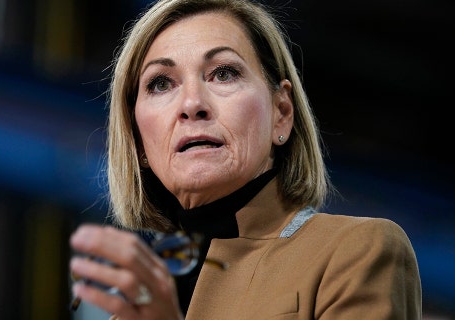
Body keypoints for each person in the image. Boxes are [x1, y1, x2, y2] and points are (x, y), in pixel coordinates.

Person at [69, 0, 422, 319]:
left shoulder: (356, 252)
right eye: (161, 83)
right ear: (139, 142)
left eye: (224, 73)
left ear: (281, 113)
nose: (192, 104)